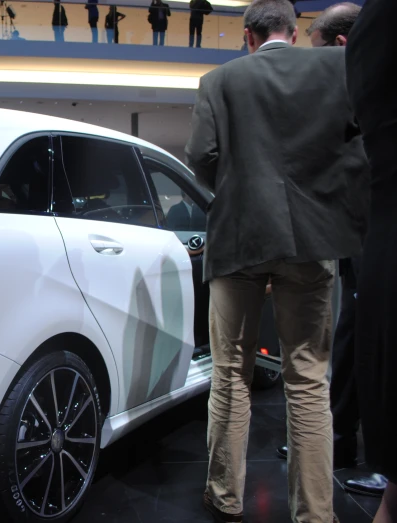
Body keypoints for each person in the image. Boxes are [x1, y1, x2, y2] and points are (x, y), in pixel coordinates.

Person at [185, 0, 369, 521]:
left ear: (248, 36)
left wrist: (241, 189)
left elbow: (201, 156)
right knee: (309, 379)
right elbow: (359, 142)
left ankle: (224, 496)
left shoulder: (218, 81)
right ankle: (315, 512)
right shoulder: (336, 66)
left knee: (231, 374)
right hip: (312, 240)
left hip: (238, 239)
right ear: (293, 31)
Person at [272, 0, 388, 501]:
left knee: (373, 339)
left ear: (342, 47)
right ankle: (340, 440)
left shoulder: (371, 88)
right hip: (359, 231)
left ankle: (381, 463)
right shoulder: (355, 87)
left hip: (373, 227)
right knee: (354, 333)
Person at [346, 0, 397, 520]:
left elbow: (204, 155)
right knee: (309, 372)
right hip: (340, 236)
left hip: (381, 240)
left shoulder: (370, 32)